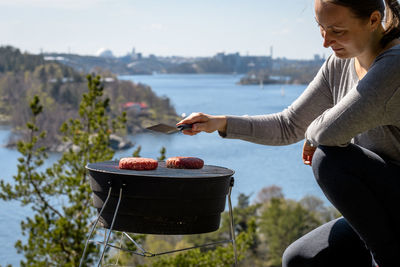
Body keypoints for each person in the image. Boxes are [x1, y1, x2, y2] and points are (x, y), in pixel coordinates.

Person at [177, 0, 400, 266]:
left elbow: (325, 133)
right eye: (321, 28)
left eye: (338, 31)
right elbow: (289, 124)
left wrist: (313, 136)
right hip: (383, 202)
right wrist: (220, 123)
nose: (326, 42)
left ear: (374, 20)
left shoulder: (394, 66)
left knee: (329, 159)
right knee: (300, 258)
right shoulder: (339, 64)